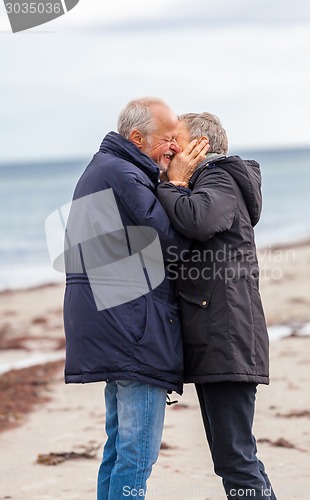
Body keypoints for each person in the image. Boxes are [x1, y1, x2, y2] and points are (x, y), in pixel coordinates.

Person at [63, 98, 208, 500]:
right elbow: (173, 243)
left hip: (116, 324)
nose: (176, 150)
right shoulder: (124, 175)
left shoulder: (109, 168)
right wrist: (178, 185)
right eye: (168, 140)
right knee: (136, 455)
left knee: (119, 447)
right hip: (133, 332)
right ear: (137, 138)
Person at [157, 112, 277, 499]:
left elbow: (197, 219)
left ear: (200, 146)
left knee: (236, 461)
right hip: (220, 335)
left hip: (228, 336)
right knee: (236, 459)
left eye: (177, 139)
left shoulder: (219, 176)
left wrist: (173, 183)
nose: (171, 147)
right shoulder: (212, 180)